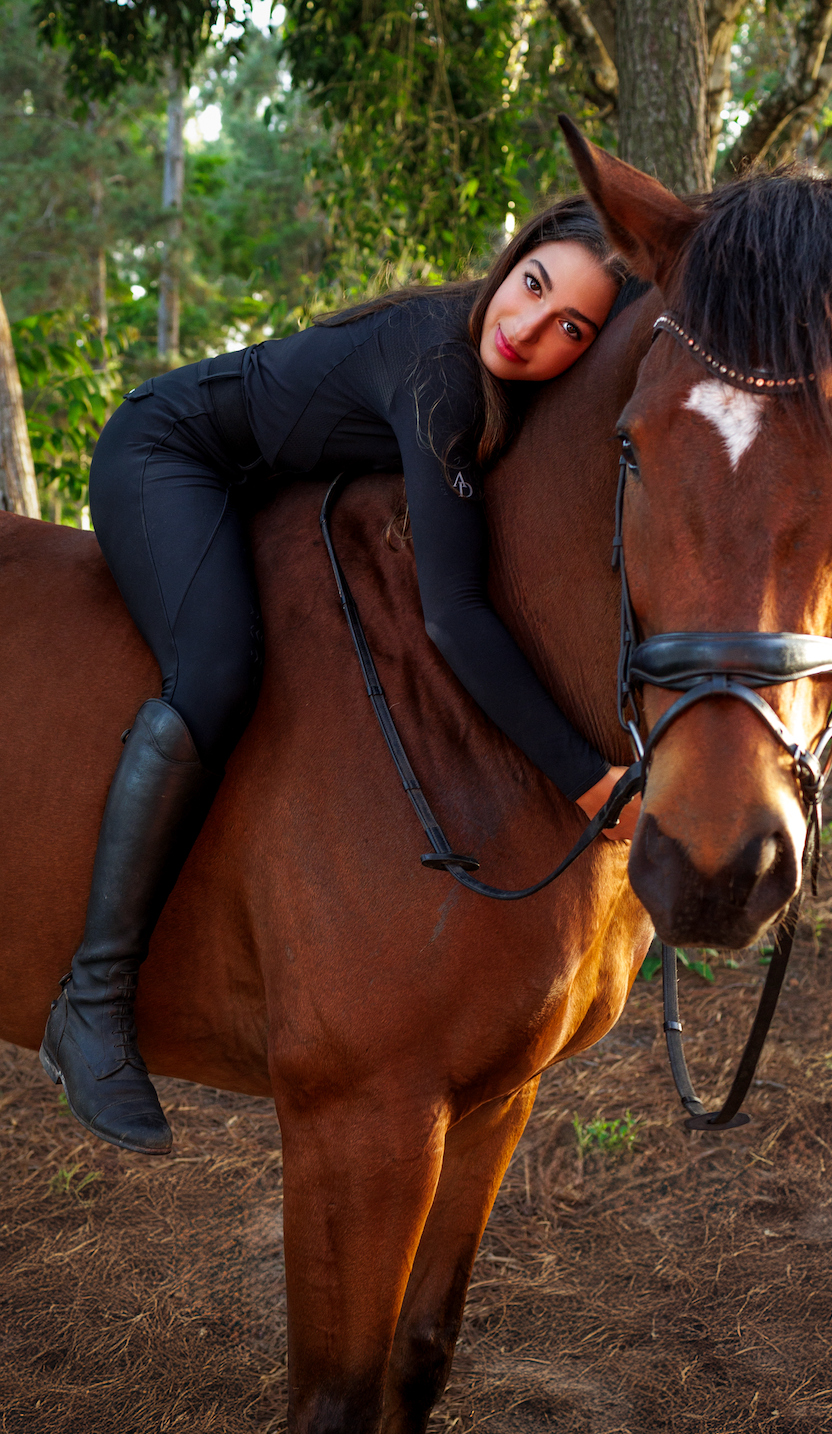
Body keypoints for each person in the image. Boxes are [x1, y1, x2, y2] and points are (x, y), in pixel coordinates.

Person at [40, 197, 643, 1157]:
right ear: (514, 257)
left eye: (571, 327)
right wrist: (588, 778)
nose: (529, 330)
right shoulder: (441, 368)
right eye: (533, 286)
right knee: (217, 673)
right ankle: (92, 1002)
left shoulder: (488, 373)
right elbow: (453, 612)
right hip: (166, 456)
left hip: (258, 485)